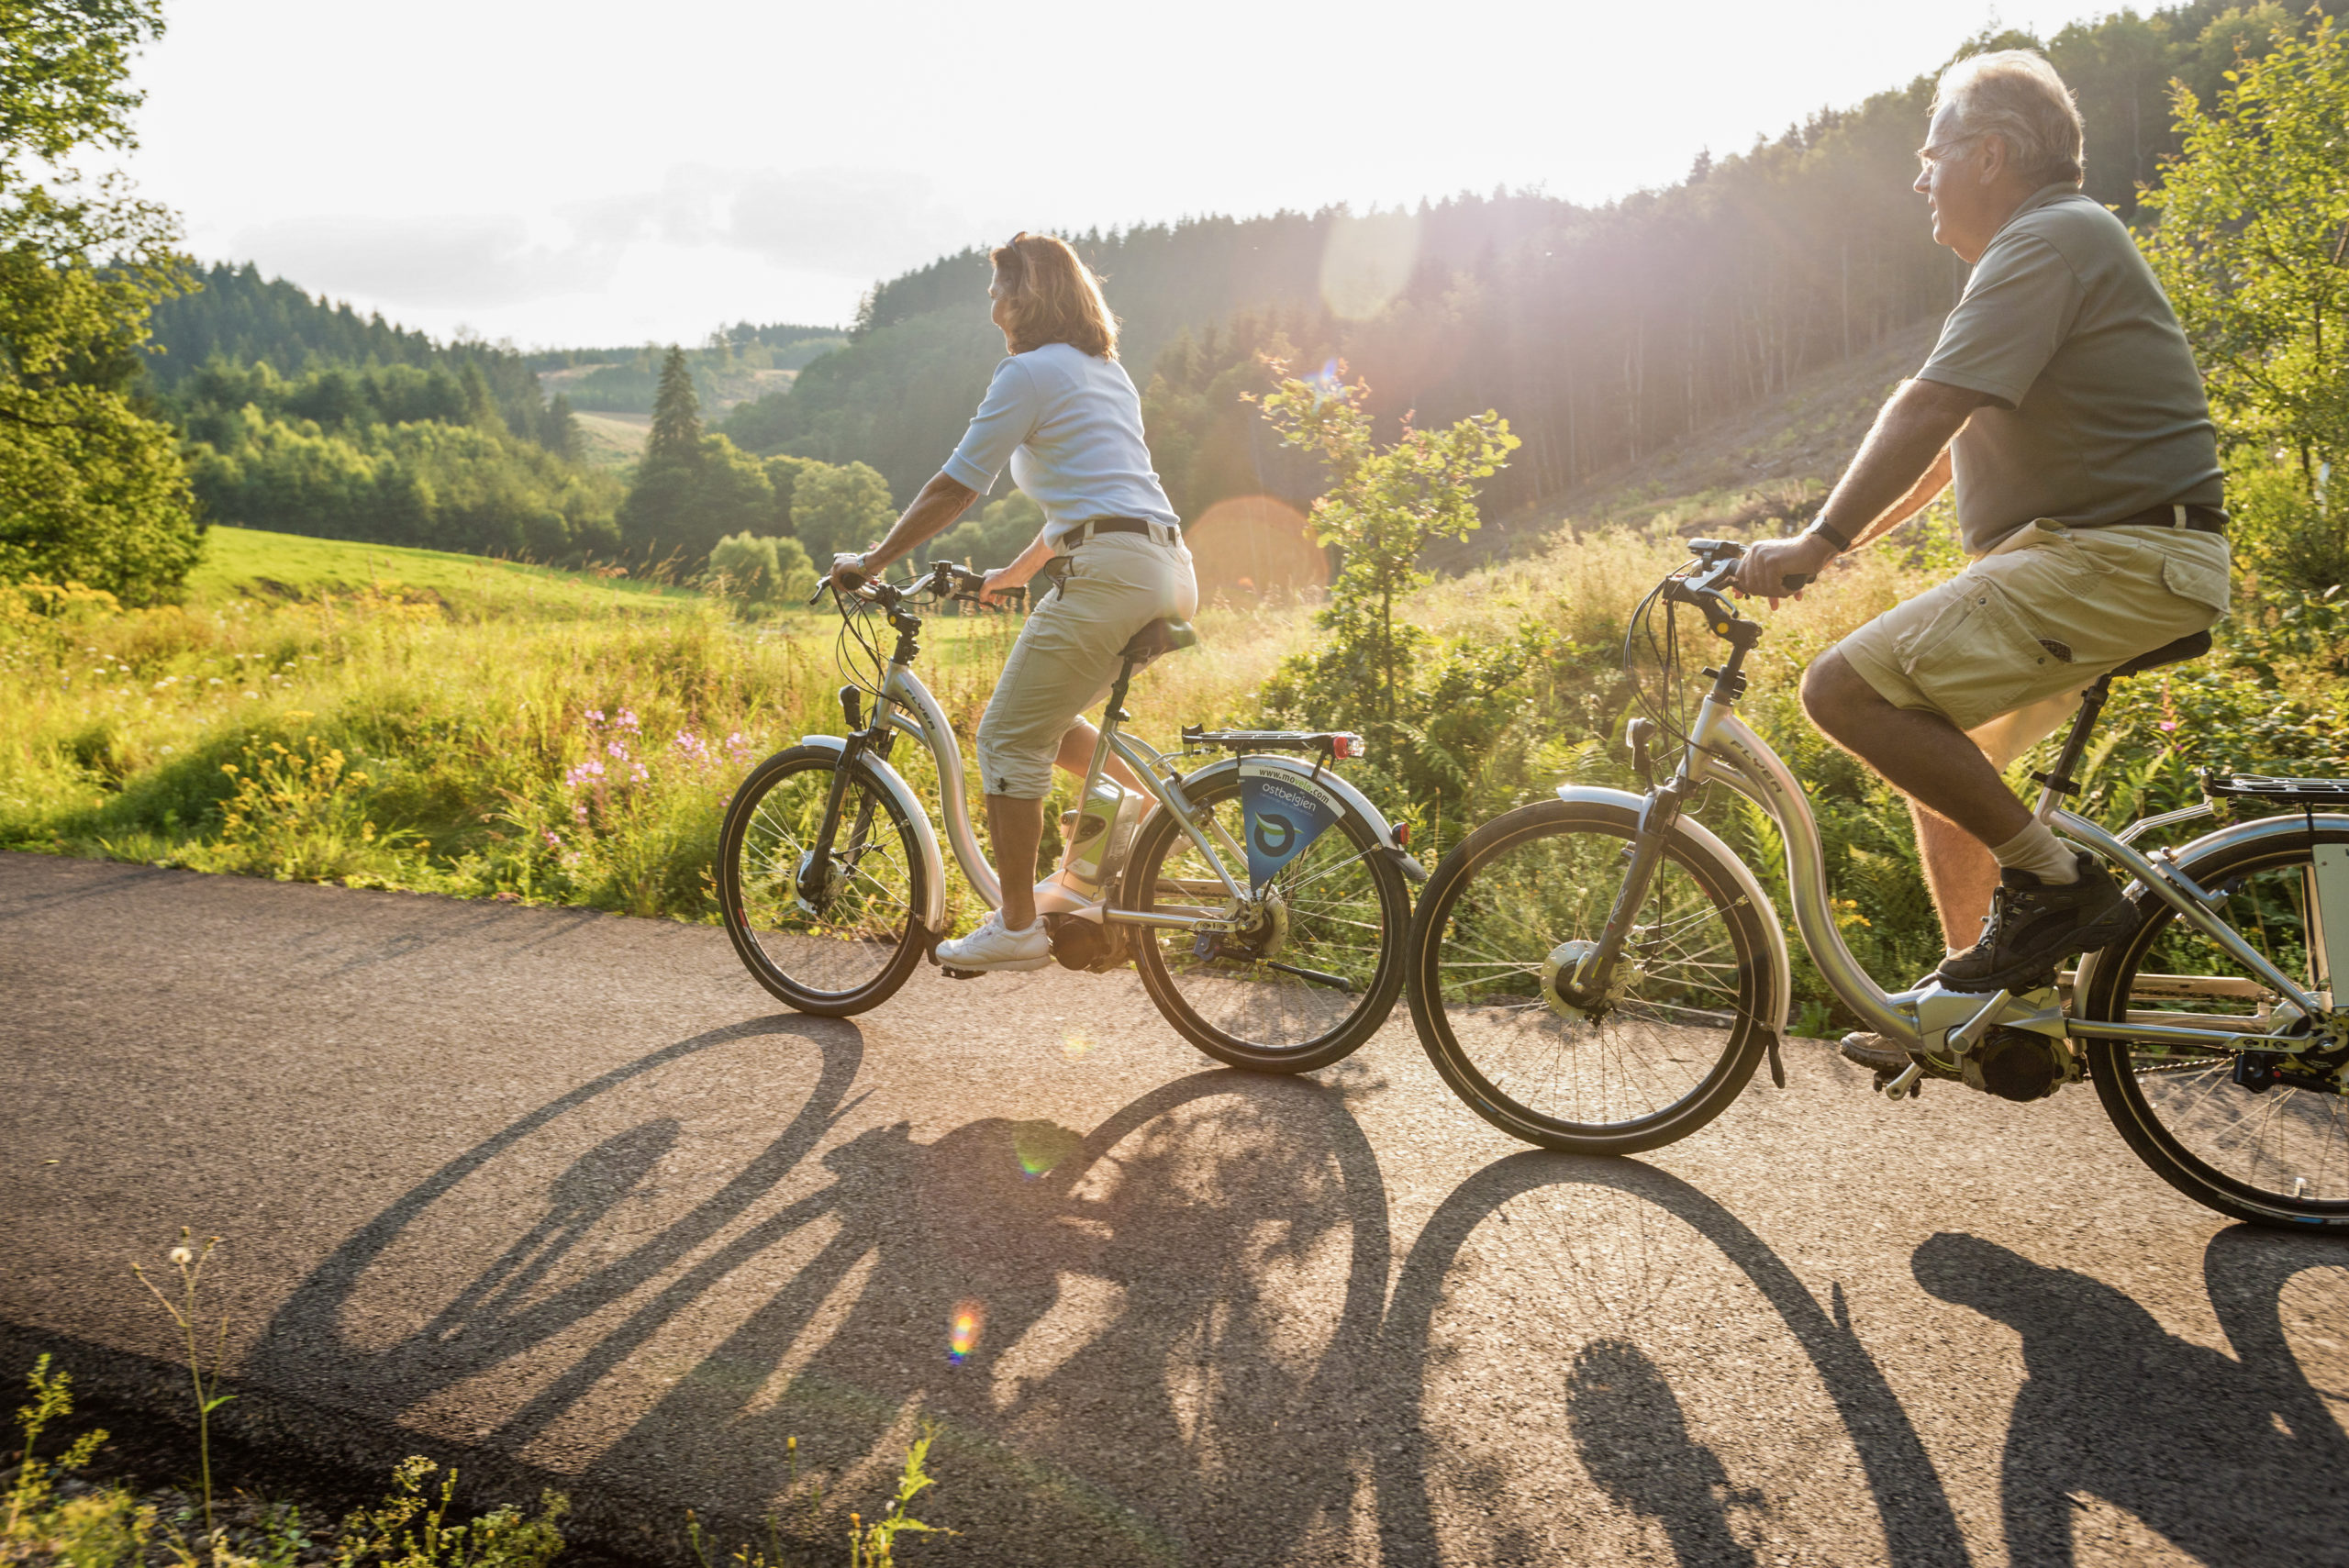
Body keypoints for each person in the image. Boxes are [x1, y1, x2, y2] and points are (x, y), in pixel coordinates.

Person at [1729, 50, 2232, 1072]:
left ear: (1990, 152)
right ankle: (1985, 1015)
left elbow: (1927, 404)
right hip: (2099, 557)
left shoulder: (2048, 238)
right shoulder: (2042, 251)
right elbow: (1945, 437)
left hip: (2117, 555)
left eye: (1932, 154)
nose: (1920, 179)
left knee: (1841, 688)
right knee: (1938, 762)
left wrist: (1814, 540)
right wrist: (1826, 553)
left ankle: (2053, 889)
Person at [828, 232, 1197, 973]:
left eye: (998, 287)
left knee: (1003, 738)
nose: (991, 302)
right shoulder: (1104, 372)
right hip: (1165, 563)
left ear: (1026, 297)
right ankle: (1151, 813)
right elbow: (1095, 497)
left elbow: (955, 486)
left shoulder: (1025, 373)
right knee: (1049, 725)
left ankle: (1019, 922)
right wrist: (1016, 570)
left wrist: (870, 562)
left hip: (1108, 571)